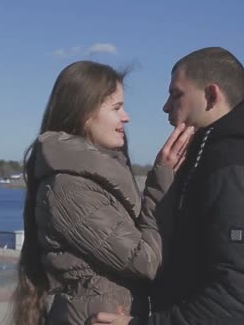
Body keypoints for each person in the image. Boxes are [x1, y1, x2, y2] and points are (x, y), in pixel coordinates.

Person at [89, 47, 244, 325]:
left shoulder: (236, 166)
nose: (165, 106)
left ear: (211, 96)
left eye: (176, 94)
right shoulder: (207, 157)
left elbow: (240, 297)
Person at [10, 60, 194, 325]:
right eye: (117, 107)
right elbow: (145, 261)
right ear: (85, 114)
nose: (126, 117)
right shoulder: (69, 189)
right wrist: (160, 183)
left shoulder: (91, 179)